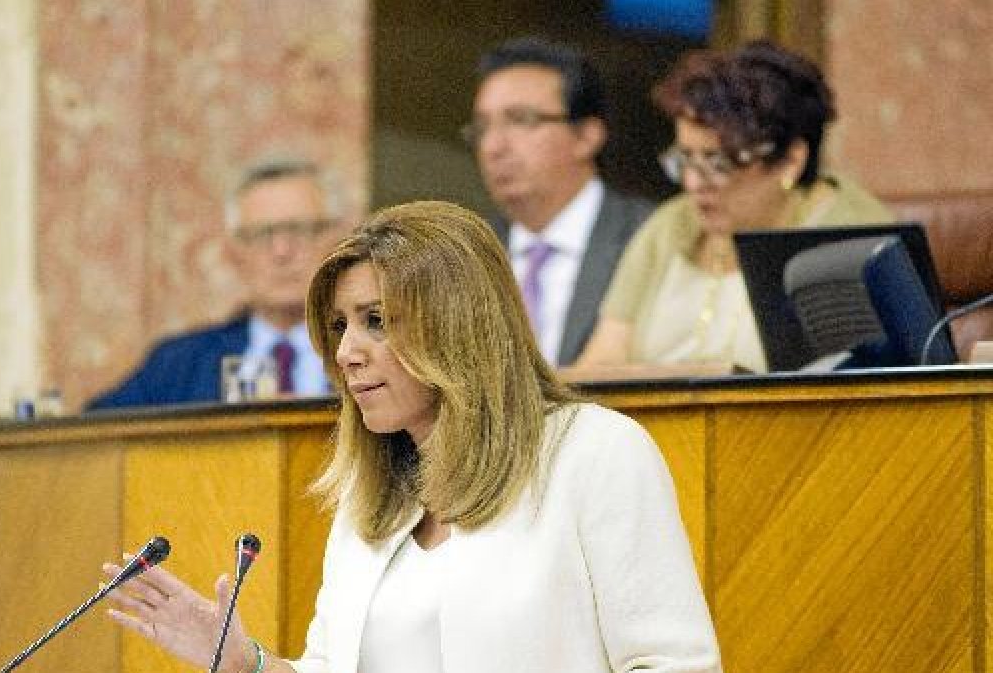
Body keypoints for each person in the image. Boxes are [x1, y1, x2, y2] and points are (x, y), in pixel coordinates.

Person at [102, 201, 721, 672]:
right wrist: (247, 663)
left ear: (457, 324)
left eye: (376, 322)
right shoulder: (371, 499)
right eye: (340, 326)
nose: (346, 352)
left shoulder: (594, 452)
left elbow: (673, 665)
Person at [565, 40, 891, 376]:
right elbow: (599, 364)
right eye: (685, 159)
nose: (693, 183)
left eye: (718, 163)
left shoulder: (850, 238)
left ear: (792, 160)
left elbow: (850, 396)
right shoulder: (670, 225)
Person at [85, 158, 347, 410]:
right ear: (234, 252)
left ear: (335, 241)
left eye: (299, 230)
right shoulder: (180, 363)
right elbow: (95, 434)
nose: (281, 252)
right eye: (261, 235)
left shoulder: (369, 352)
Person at [466, 36, 654, 367]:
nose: (493, 146)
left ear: (586, 136)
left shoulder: (648, 237)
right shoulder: (467, 255)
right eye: (483, 127)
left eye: (521, 120)